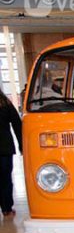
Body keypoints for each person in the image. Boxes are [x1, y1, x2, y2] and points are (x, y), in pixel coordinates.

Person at [0, 88, 22, 217]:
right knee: (6, 178)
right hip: (4, 147)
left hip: (5, 147)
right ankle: (7, 208)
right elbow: (17, 124)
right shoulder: (5, 103)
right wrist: (21, 145)